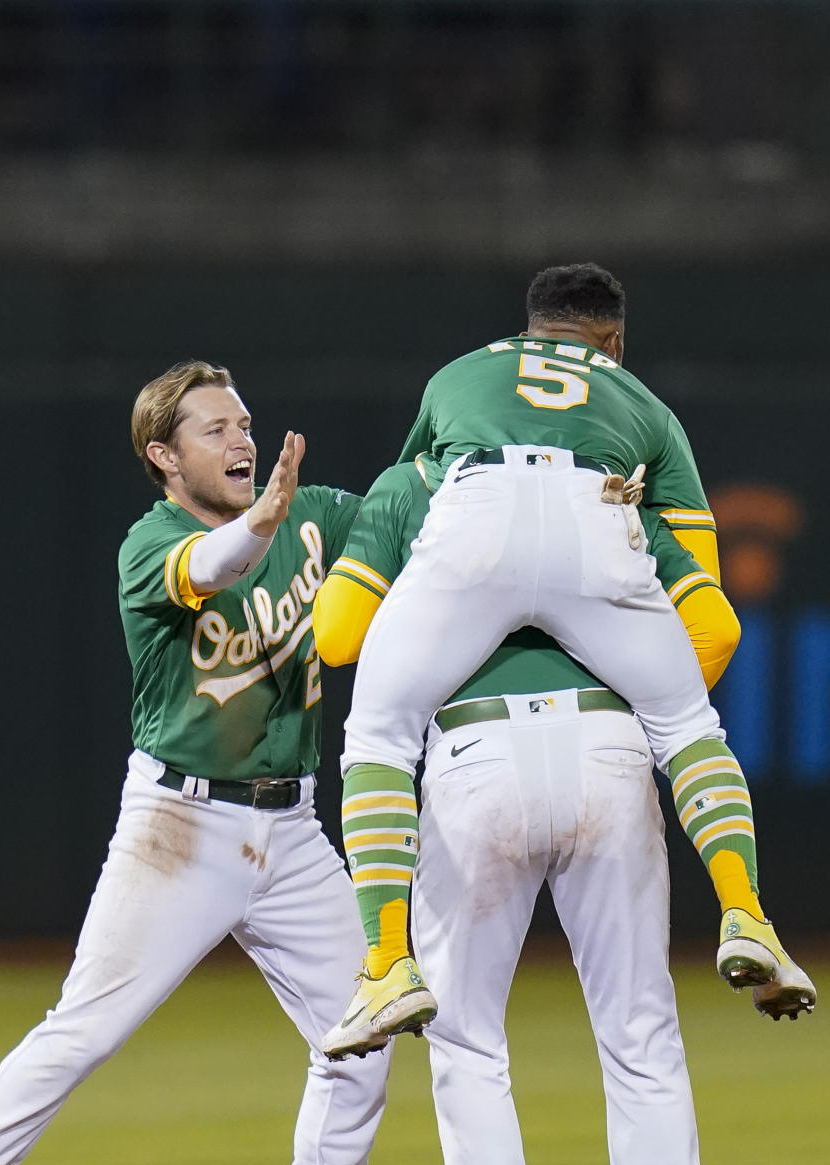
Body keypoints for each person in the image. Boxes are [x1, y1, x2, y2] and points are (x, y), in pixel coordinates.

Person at [0, 360, 414, 1165]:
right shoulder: (154, 544)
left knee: (365, 1029)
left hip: (292, 830)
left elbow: (403, 511)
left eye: (244, 420)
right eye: (213, 429)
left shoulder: (308, 516)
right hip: (184, 826)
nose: (241, 440)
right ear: (163, 457)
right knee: (82, 1029)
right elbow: (211, 572)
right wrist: (264, 525)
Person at [322, 263, 815, 1060]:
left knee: (379, 734)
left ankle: (385, 965)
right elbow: (714, 621)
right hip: (598, 505)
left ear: (530, 328)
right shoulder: (645, 404)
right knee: (691, 726)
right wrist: (633, 695)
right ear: (612, 340)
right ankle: (746, 913)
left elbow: (417, 489)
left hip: (481, 501)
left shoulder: (459, 375)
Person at [313, 457, 742, 1165]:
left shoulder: (410, 484)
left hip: (478, 755)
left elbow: (338, 635)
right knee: (641, 1030)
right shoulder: (607, 485)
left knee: (466, 1038)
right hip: (611, 748)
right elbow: (715, 633)